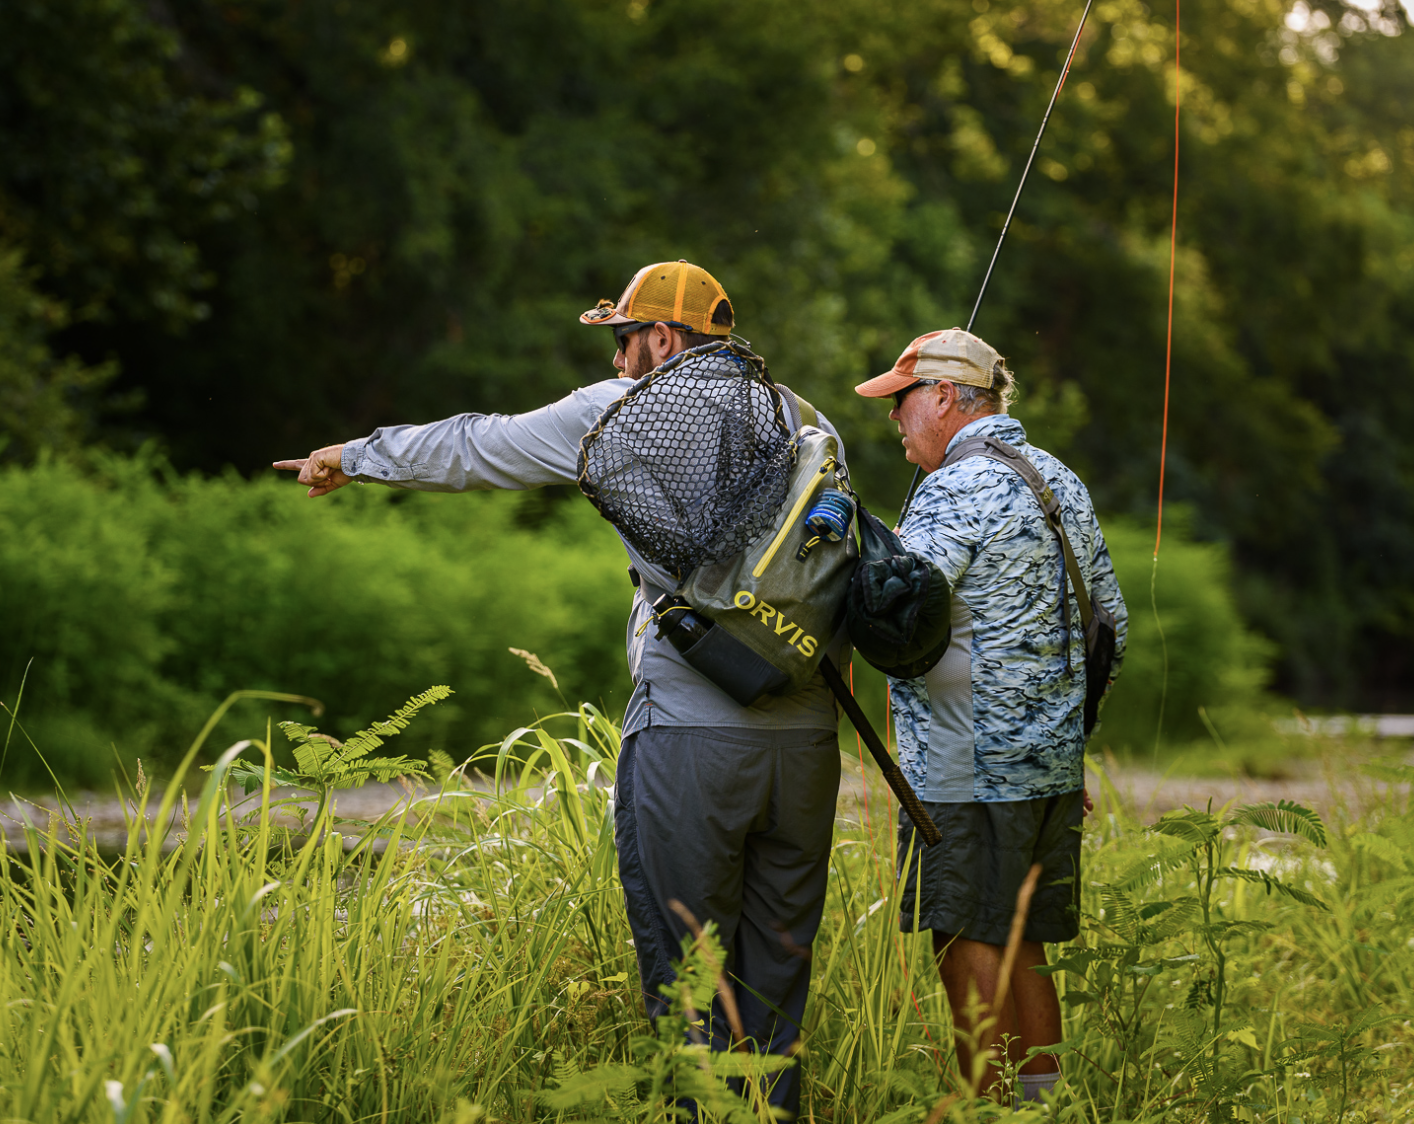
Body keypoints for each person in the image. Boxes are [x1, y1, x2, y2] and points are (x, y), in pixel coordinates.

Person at [275, 260, 848, 1116]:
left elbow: (477, 445)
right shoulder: (806, 419)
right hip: (806, 744)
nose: (617, 359)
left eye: (626, 338)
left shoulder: (618, 411)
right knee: (775, 991)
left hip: (690, 737)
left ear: (664, 339)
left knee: (689, 985)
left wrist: (354, 457)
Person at [853, 327, 1127, 1104]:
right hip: (1050, 770)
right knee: (1021, 938)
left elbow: (899, 606)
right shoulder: (1060, 478)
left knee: (966, 932)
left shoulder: (954, 486)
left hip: (964, 769)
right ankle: (1039, 1110)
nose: (894, 417)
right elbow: (1111, 626)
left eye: (903, 400)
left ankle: (987, 1110)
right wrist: (1062, 740)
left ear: (944, 396)